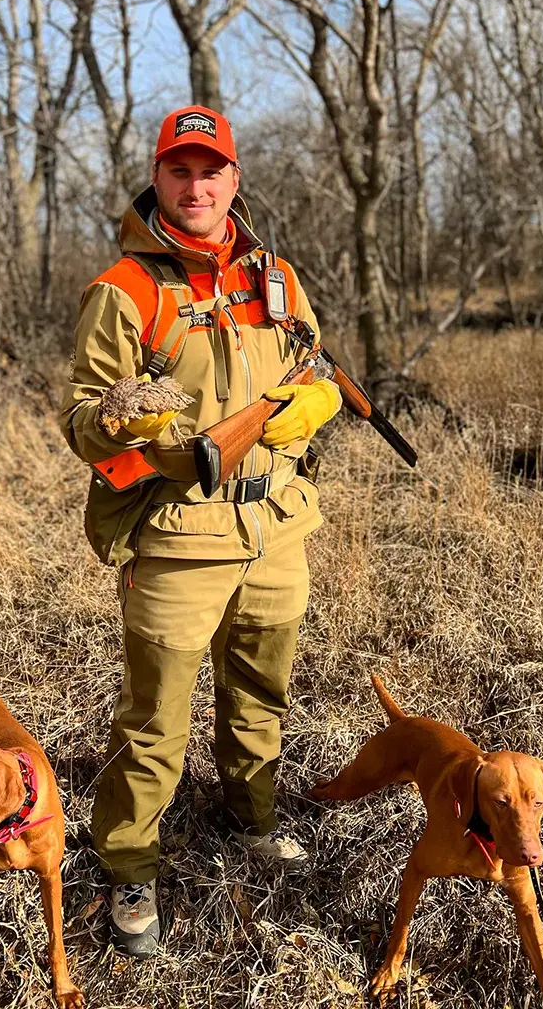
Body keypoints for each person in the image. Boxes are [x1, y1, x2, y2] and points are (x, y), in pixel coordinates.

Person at [59, 105, 341, 957]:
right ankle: (130, 865)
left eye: (210, 170)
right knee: (155, 719)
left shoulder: (278, 278)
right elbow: (81, 418)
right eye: (179, 171)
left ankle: (252, 820)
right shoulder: (125, 290)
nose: (196, 186)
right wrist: (123, 420)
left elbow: (314, 366)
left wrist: (312, 406)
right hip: (179, 531)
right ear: (159, 177)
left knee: (262, 696)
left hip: (276, 524)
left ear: (234, 180)